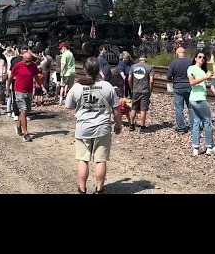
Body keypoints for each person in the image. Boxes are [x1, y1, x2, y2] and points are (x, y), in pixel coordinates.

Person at [65, 56, 122, 194]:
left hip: (83, 128)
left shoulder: (77, 87)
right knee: (101, 160)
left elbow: (68, 106)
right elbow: (116, 109)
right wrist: (118, 124)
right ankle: (99, 190)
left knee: (83, 159)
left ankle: (82, 189)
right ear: (99, 70)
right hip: (102, 128)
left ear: (85, 70)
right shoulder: (107, 86)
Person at [187, 52, 215, 156]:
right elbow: (191, 82)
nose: (202, 59)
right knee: (207, 121)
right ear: (195, 58)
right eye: (200, 57)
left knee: (197, 122)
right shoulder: (191, 68)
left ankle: (196, 148)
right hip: (199, 99)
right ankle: (209, 147)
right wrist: (205, 77)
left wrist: (213, 63)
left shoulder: (202, 71)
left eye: (203, 57)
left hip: (194, 99)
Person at [8, 50, 46, 142]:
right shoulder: (18, 65)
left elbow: (36, 77)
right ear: (23, 59)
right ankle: (26, 133)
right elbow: (11, 77)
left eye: (30, 61)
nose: (28, 63)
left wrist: (42, 86)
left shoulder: (33, 66)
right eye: (26, 61)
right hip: (19, 91)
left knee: (27, 111)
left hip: (29, 91)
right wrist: (7, 88)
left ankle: (18, 126)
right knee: (23, 110)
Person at [166, 46, 194, 134]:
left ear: (177, 53)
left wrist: (174, 79)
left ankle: (181, 128)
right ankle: (194, 127)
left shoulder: (173, 63)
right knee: (191, 108)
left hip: (178, 87)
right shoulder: (190, 62)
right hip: (189, 87)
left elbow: (168, 77)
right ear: (184, 53)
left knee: (179, 108)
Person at [127, 55, 154, 132]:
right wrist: (150, 90)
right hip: (145, 91)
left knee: (134, 107)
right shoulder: (149, 67)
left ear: (139, 59)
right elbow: (151, 81)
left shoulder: (133, 66)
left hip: (135, 90)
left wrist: (132, 88)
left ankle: (131, 125)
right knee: (143, 109)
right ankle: (142, 127)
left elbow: (129, 78)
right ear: (146, 59)